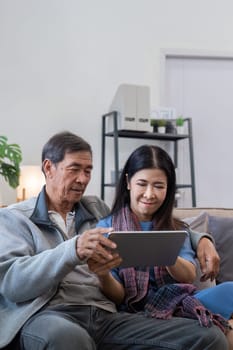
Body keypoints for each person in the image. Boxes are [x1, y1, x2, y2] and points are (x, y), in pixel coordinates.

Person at [0, 132, 228, 350]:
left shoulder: (96, 209)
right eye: (74, 169)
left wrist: (202, 240)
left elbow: (146, 223)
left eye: (88, 171)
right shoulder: (15, 218)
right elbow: (12, 284)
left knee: (208, 337)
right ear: (49, 168)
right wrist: (72, 250)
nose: (83, 179)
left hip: (105, 316)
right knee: (68, 337)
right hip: (50, 314)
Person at [93, 144, 233, 348]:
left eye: (159, 186)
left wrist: (164, 253)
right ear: (128, 182)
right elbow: (119, 295)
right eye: (142, 183)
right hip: (138, 312)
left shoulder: (175, 228)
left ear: (168, 189)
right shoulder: (107, 227)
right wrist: (103, 274)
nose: (150, 194)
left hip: (180, 301)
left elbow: (187, 275)